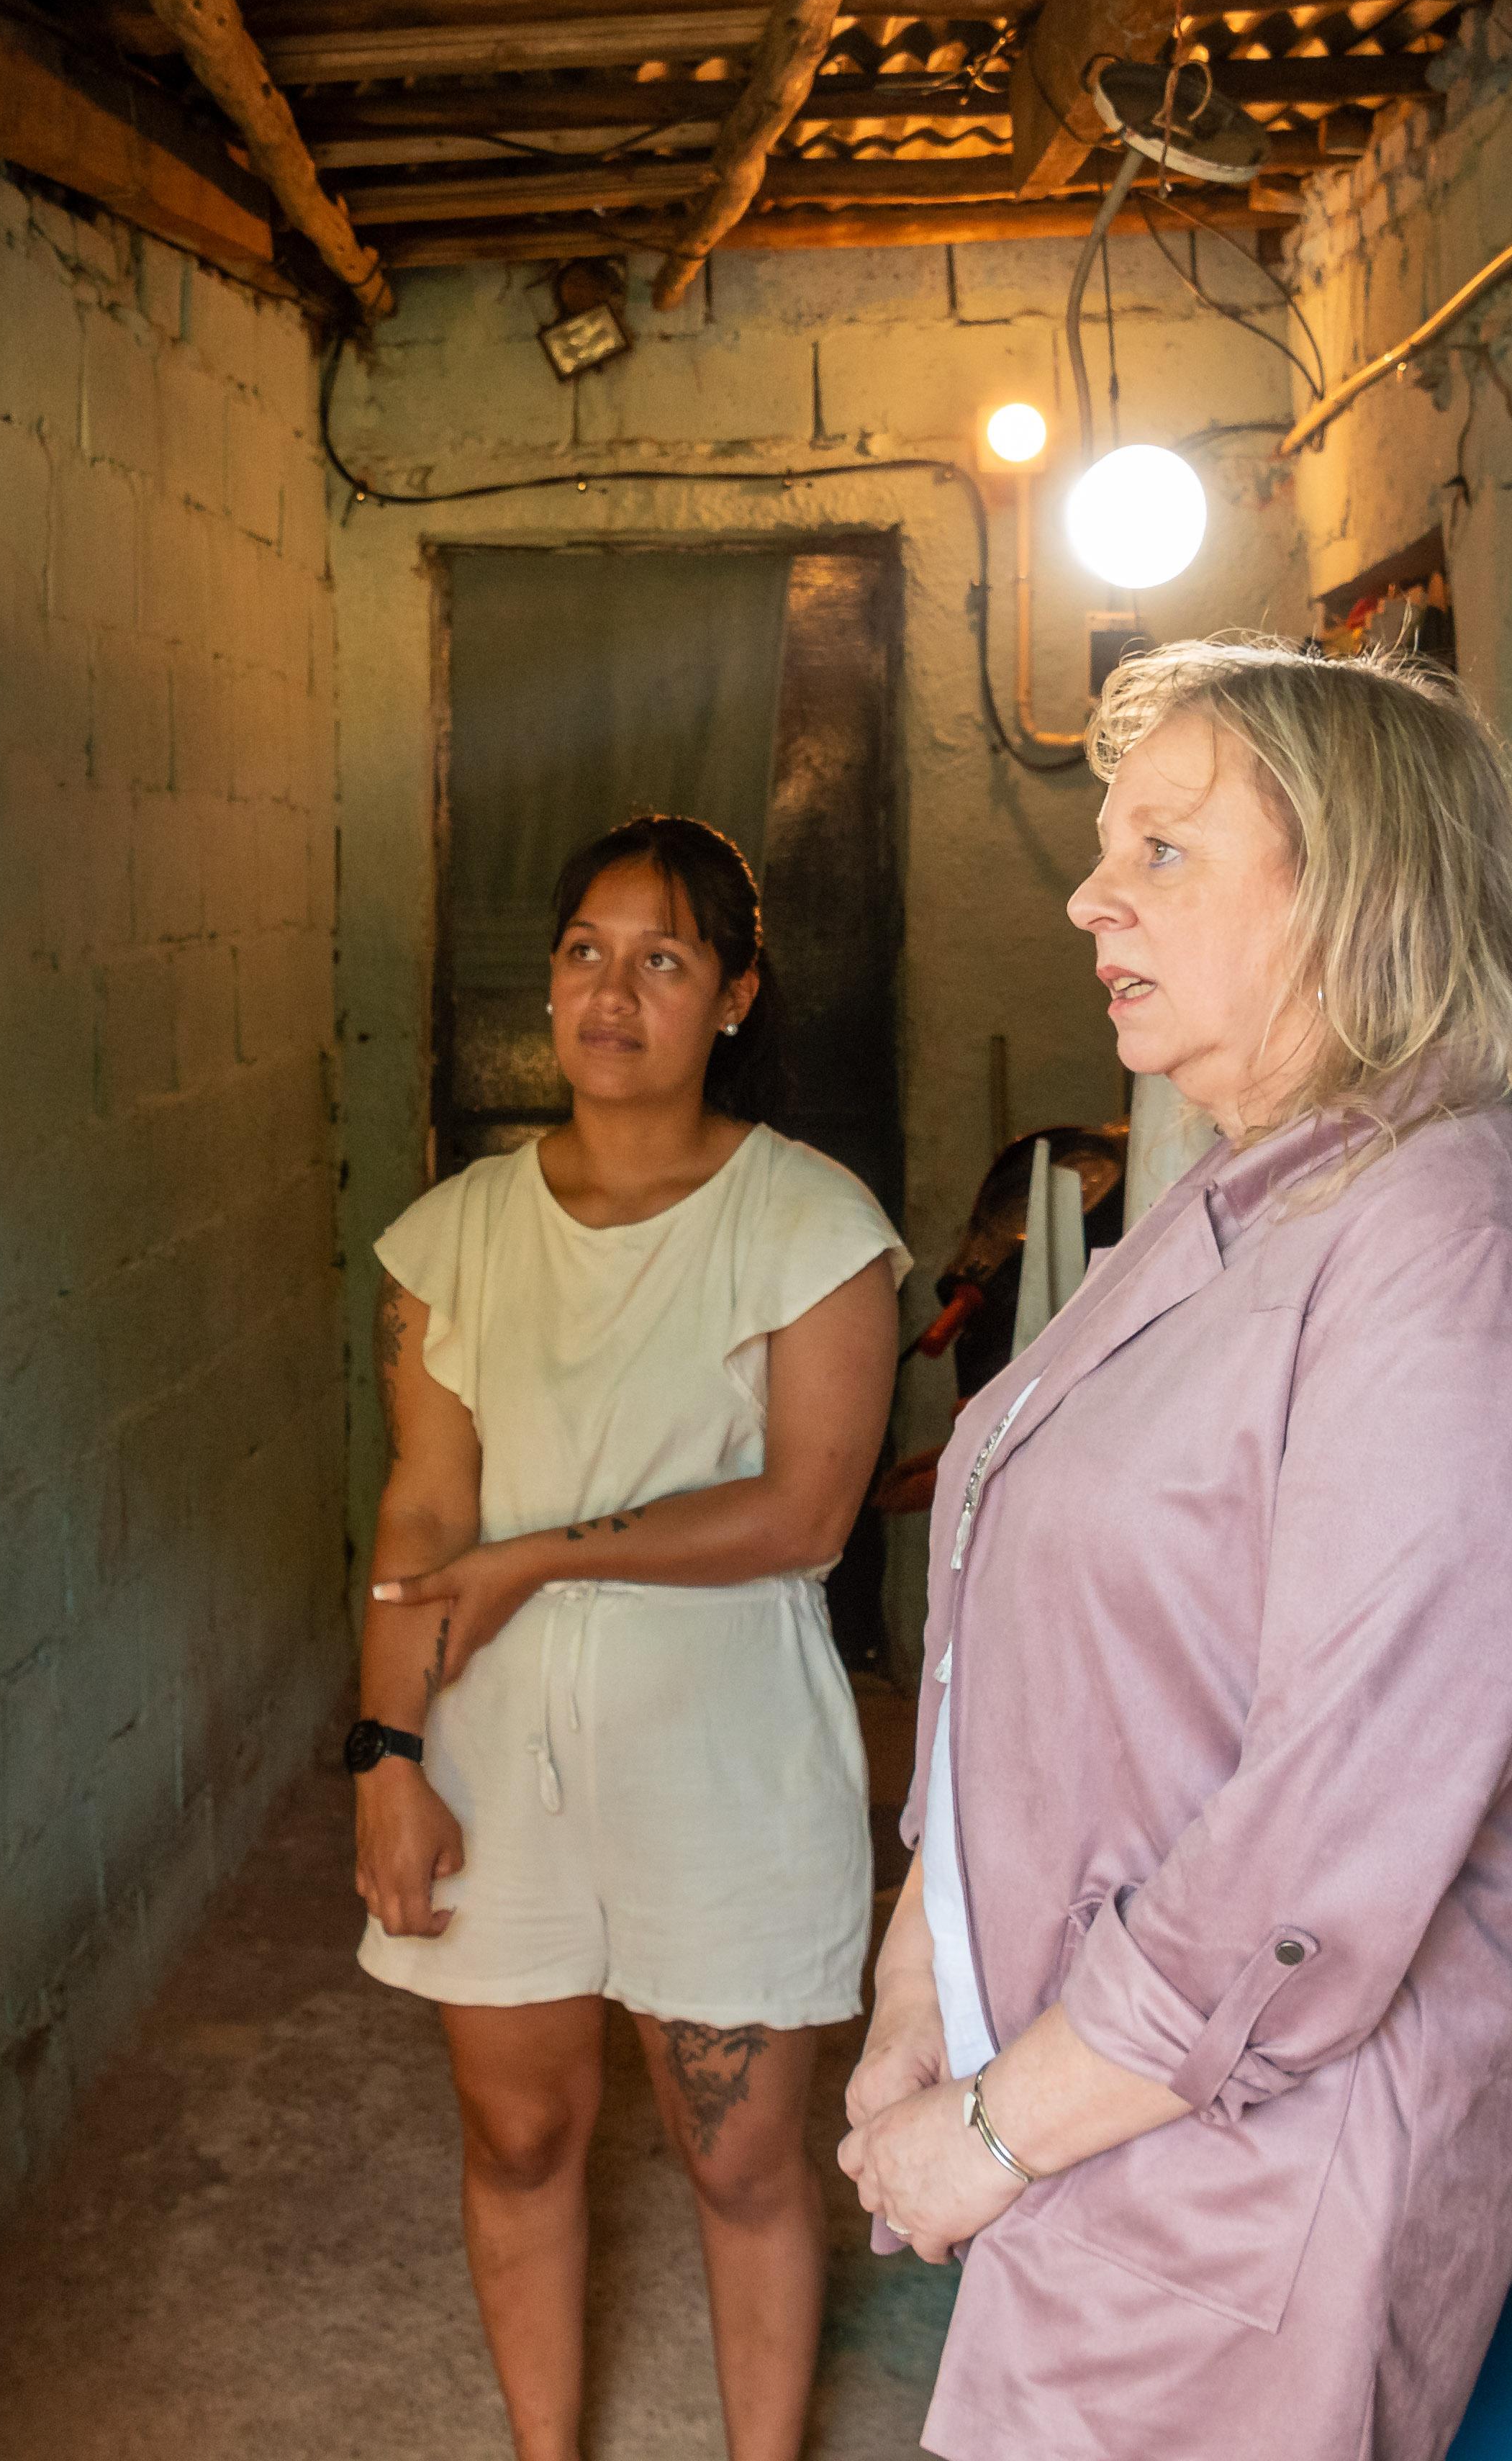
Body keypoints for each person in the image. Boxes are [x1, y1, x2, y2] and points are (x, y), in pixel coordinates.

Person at [839, 642, 1512, 2460]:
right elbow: (1014, 1634)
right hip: (1094, 2114)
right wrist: (921, 1982)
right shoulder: (1247, 1180)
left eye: (1167, 849)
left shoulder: (1459, 1242)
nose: (1088, 891)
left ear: (1355, 881)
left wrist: (986, 2129)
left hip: (1246, 2189)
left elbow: (1328, 1834)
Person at [355, 814, 906, 2461]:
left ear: (734, 994)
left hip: (723, 1752)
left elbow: (807, 1513)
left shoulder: (812, 1225)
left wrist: (540, 1557)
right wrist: (388, 1754)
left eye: (663, 957)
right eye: (587, 951)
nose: (613, 990)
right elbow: (417, 1518)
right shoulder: (450, 1234)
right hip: (491, 1747)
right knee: (518, 2131)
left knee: (741, 2159)